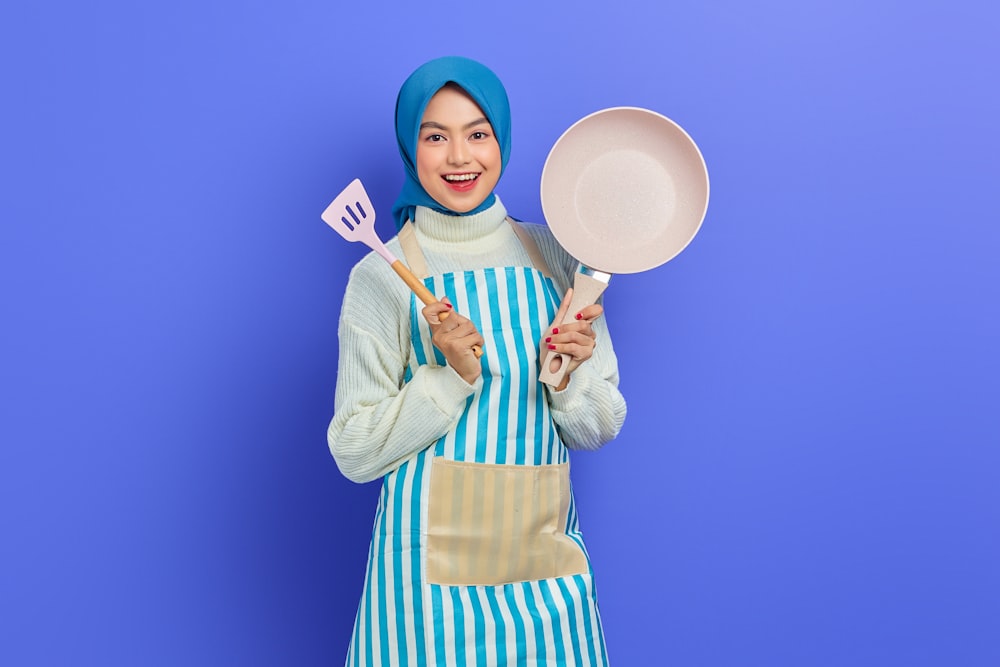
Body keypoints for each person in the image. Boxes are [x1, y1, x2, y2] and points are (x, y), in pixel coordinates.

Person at [328, 55, 627, 666]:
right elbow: (353, 450)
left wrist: (567, 383)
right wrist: (447, 378)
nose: (460, 157)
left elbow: (599, 426)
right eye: (435, 136)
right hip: (423, 593)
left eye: (478, 133)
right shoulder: (381, 275)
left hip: (544, 580)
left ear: (502, 140)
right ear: (411, 148)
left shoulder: (555, 256)